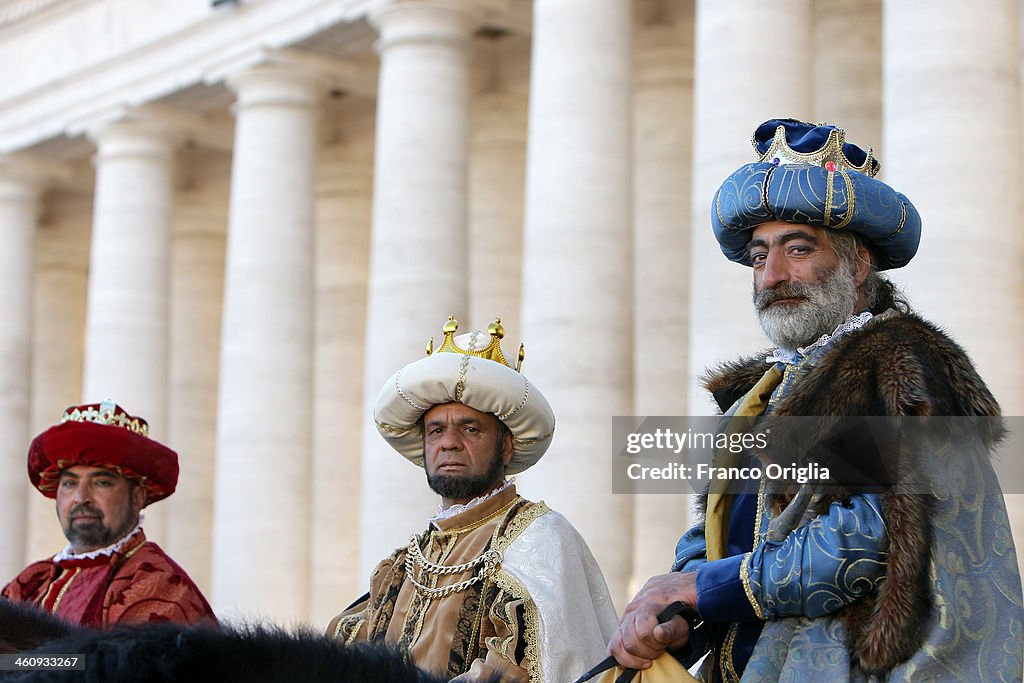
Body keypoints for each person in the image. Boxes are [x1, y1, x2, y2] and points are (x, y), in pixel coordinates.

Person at [608, 119, 1023, 680]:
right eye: (758, 257)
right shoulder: (754, 397)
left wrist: (707, 587)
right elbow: (717, 531)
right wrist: (676, 610)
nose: (772, 275)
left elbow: (879, 531)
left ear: (858, 265)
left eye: (797, 250)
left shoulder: (904, 368)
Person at [328, 317, 618, 683]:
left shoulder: (540, 539)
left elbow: (517, 671)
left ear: (506, 445)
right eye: (436, 430)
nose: (449, 442)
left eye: (470, 428)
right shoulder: (401, 566)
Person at [3, 400, 216, 628]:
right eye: (69, 484)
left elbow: (116, 664)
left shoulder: (160, 585)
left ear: (137, 498)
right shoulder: (32, 581)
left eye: (101, 483)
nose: (80, 497)